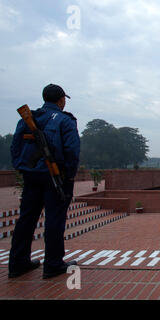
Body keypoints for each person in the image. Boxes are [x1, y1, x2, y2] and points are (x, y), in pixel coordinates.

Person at [9, 84, 80, 279]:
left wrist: (22, 168)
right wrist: (70, 175)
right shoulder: (65, 121)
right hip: (56, 176)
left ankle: (17, 263)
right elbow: (72, 151)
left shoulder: (28, 119)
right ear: (61, 100)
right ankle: (53, 263)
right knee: (54, 219)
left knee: (26, 219)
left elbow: (15, 147)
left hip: (31, 176)